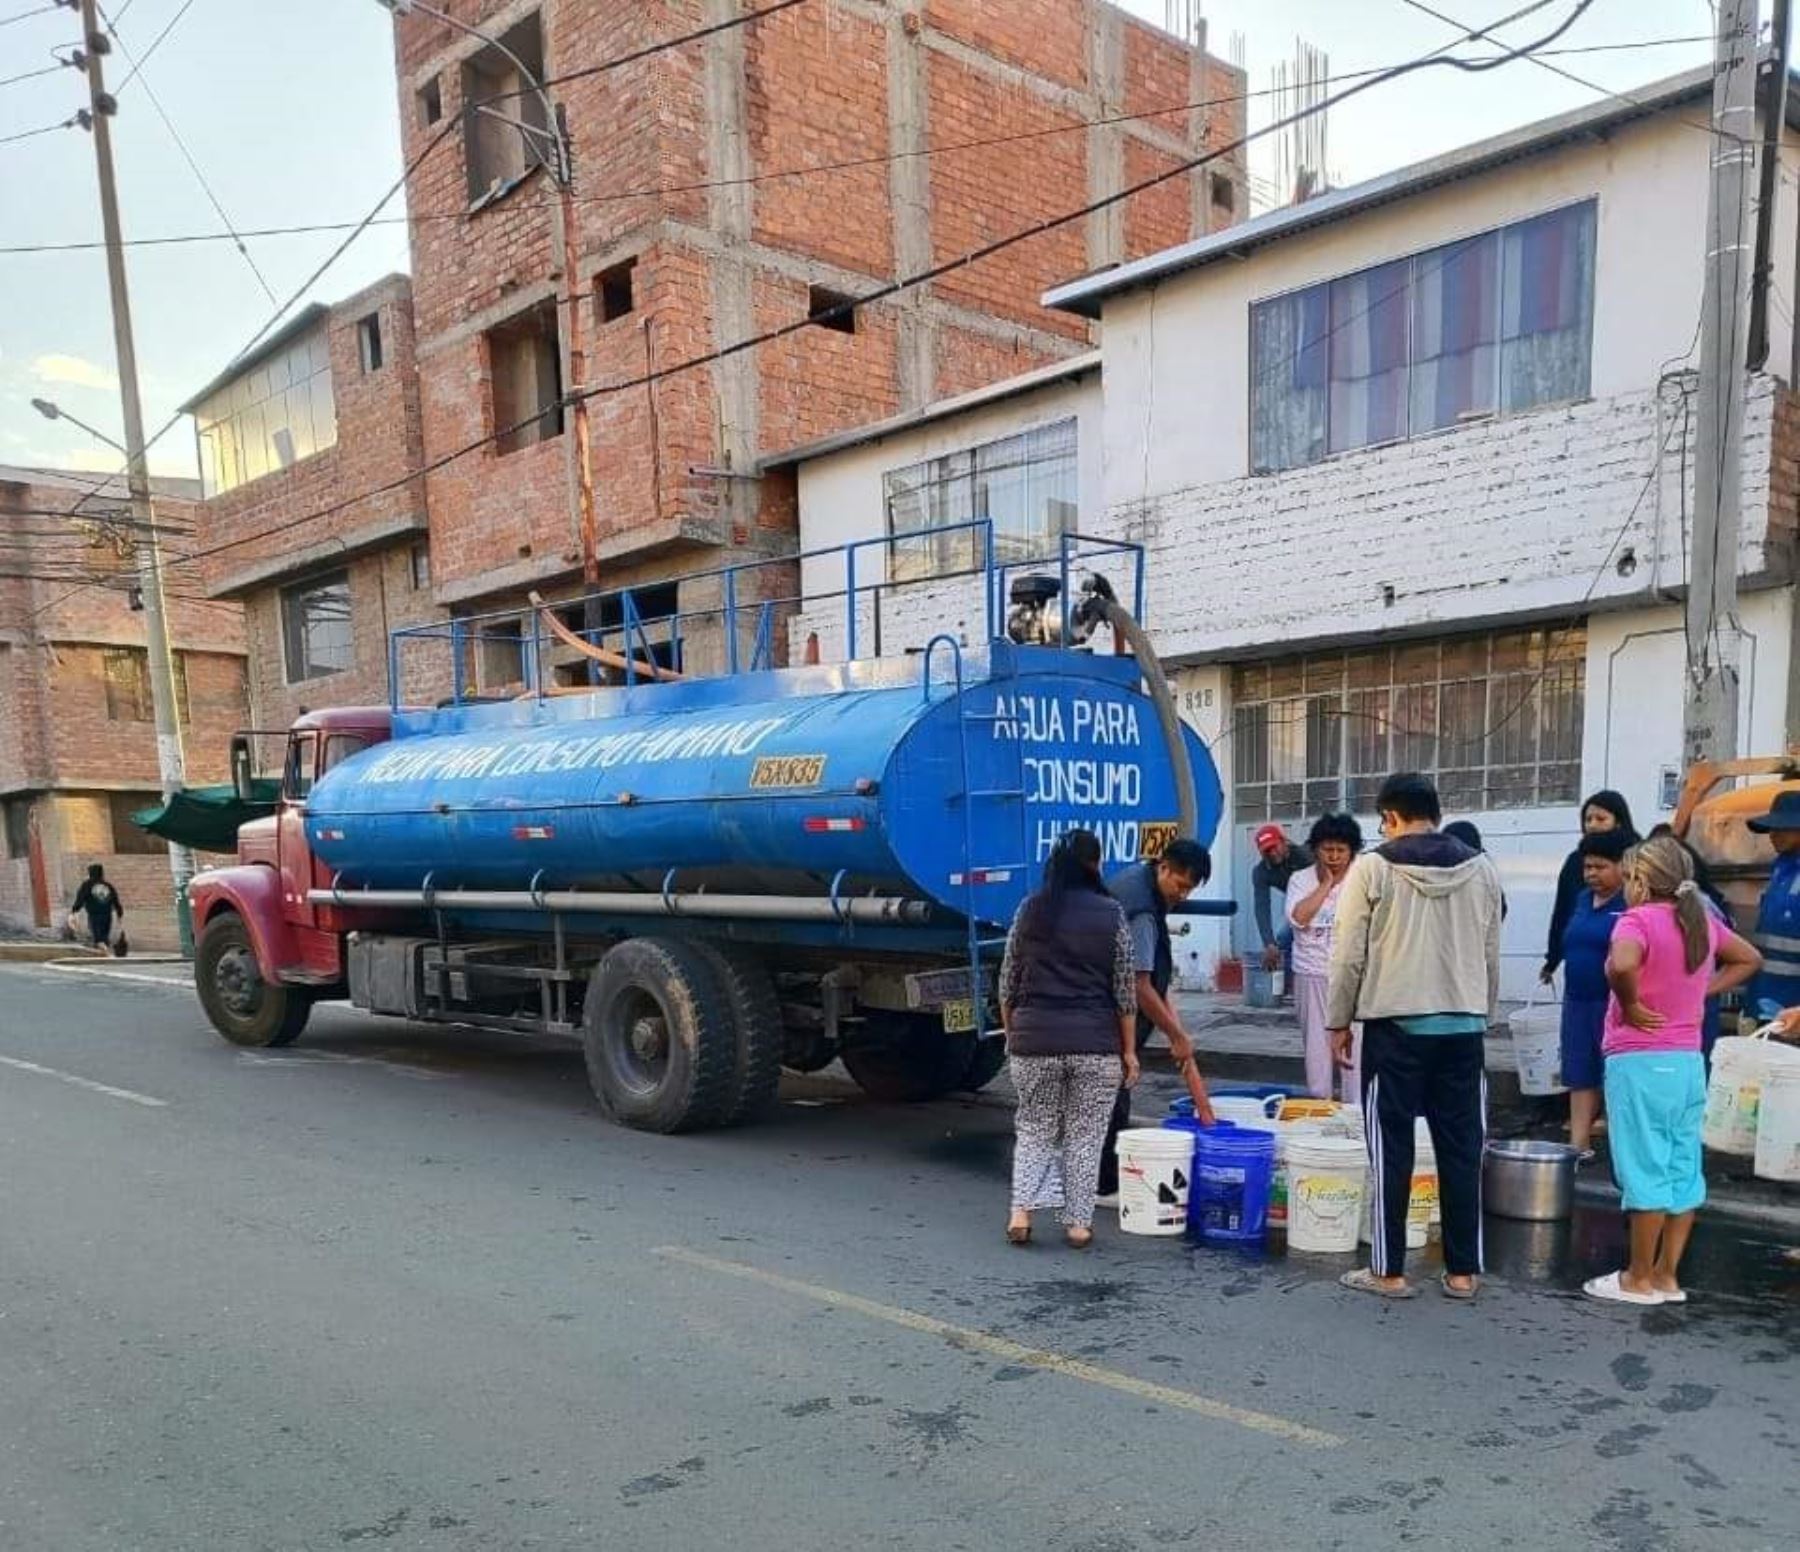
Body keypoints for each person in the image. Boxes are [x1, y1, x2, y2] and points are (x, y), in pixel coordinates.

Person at [1325, 772, 1503, 1301]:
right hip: (1464, 1028)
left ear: (1391, 817)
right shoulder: (1483, 869)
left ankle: (1389, 1271)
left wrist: (1338, 1022)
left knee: (1391, 1150)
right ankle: (1463, 1273)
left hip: (1396, 1028)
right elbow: (1491, 951)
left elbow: (1347, 953)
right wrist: (1482, 1014)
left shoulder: (1373, 868)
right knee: (1462, 1152)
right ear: (1437, 812)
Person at [1583, 837, 1760, 1306]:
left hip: (1639, 1059)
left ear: (1640, 880)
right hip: (1686, 1062)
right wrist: (1701, 989)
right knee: (1683, 1169)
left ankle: (1636, 1279)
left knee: (1644, 1167)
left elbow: (1621, 965)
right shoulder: (1701, 920)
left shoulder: (1636, 920)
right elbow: (1750, 959)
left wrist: (1632, 1003)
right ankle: (1666, 1276)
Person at [999, 830, 1138, 1249]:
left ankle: (1020, 1213)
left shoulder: (1030, 910)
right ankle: (1078, 1224)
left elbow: (1007, 982)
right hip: (1094, 1045)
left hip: (1034, 1039)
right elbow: (1125, 990)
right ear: (1095, 865)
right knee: (1085, 1134)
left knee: (1035, 1128)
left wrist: (1012, 1034)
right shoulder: (1112, 914)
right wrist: (1129, 1051)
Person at [1096, 837, 1217, 1202]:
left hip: (1110, 1005)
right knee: (1113, 1093)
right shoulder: (1143, 910)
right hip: (1111, 1012)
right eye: (1180, 885)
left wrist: (1174, 1027)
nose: (1182, 895)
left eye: (1189, 889)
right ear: (1163, 868)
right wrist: (1176, 1035)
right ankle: (1104, 1184)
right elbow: (1140, 985)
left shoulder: (1142, 881)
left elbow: (1154, 982)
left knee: (1112, 1089)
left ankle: (1099, 1178)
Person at [1558, 830, 1630, 1158]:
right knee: (1579, 1071)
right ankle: (1579, 1145)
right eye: (1588, 867)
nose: (1592, 874)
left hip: (1614, 1002)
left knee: (1613, 1073)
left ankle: (1622, 1149)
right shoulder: (1582, 900)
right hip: (1577, 1001)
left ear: (1622, 866)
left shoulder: (1629, 903)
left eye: (1601, 867)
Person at [1286, 812, 1364, 1101]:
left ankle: (1355, 1113)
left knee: (1354, 1048)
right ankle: (1321, 1107)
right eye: (1327, 850)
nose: (1333, 857)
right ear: (1315, 849)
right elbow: (1300, 918)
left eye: (1341, 850)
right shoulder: (1300, 879)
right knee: (1317, 1047)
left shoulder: (1364, 877)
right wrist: (1325, 885)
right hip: (1311, 973)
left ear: (1352, 851)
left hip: (1353, 976)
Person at [1542, 791, 1639, 985]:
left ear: (1618, 822)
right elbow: (1563, 910)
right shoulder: (1576, 862)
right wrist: (1553, 959)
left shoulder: (1640, 856)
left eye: (1601, 819)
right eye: (1588, 819)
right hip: (1583, 966)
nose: (1593, 824)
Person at [1744, 791, 1800, 1022]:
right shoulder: (1780, 871)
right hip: (1763, 1000)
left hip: (1793, 1010)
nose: (1772, 835)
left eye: (1782, 828)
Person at [1251, 825, 1312, 975]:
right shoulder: (1261, 872)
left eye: (1274, 847)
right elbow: (1262, 908)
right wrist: (1269, 944)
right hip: (1297, 903)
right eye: (1266, 850)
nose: (1272, 853)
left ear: (1283, 842)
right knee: (1282, 939)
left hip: (1324, 898)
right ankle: (1288, 986)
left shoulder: (1304, 856)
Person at [70, 863, 124, 950]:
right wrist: (119, 914)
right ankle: (104, 951)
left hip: (94, 915)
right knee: (104, 935)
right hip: (107, 915)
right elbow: (115, 900)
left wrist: (74, 911)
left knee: (97, 937)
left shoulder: (87, 885)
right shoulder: (108, 886)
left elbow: (80, 898)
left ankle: (101, 952)